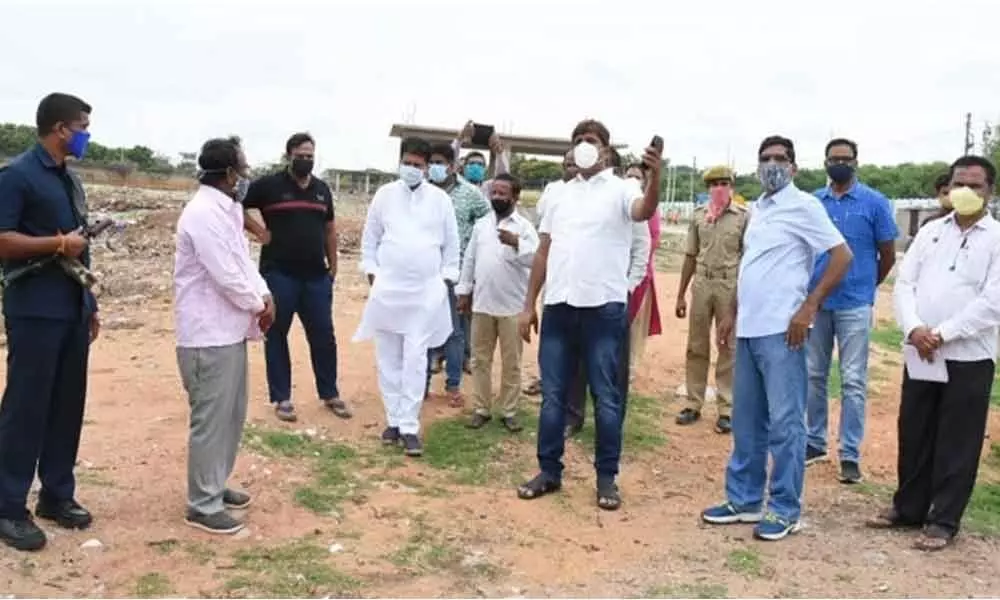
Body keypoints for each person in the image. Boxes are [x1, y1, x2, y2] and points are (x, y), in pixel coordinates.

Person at [701, 135, 853, 541]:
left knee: (786, 423)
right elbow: (751, 266)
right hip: (750, 329)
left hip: (783, 332)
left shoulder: (804, 206)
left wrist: (809, 307)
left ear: (794, 168)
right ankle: (745, 499)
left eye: (780, 159)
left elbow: (842, 256)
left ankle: (785, 508)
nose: (772, 165)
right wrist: (732, 314)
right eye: (765, 158)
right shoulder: (760, 209)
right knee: (748, 421)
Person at [516, 119, 662, 510]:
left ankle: (606, 479)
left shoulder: (623, 188)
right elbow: (544, 250)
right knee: (552, 397)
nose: (584, 145)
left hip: (603, 310)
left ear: (606, 151)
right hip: (559, 308)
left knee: (606, 397)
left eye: (592, 141)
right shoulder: (557, 194)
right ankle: (549, 471)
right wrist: (529, 304)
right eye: (578, 140)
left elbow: (644, 209)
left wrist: (656, 177)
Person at [869, 155, 1000, 551]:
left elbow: (992, 301)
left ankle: (943, 519)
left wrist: (942, 334)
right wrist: (914, 329)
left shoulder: (996, 238)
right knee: (916, 429)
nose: (966, 191)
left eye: (975, 185)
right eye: (960, 183)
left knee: (957, 439)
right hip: (921, 352)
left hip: (968, 355)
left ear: (990, 192)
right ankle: (908, 507)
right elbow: (905, 283)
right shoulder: (931, 232)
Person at [0, 93, 100, 551]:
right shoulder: (17, 176)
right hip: (34, 308)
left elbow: (82, 244)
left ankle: (56, 495)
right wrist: (57, 244)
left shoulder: (69, 180)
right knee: (26, 408)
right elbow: (3, 241)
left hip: (71, 308)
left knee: (66, 405)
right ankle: (7, 506)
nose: (85, 134)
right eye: (82, 126)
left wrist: (91, 304)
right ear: (60, 129)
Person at [174, 136, 274, 535]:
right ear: (229, 172)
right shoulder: (201, 213)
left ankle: (213, 484)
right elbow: (224, 273)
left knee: (229, 417)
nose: (246, 173)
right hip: (206, 333)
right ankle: (202, 503)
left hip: (228, 330)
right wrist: (257, 302)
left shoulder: (226, 209)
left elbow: (242, 262)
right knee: (211, 420)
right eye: (242, 166)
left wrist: (264, 294)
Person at [354, 137, 460, 457]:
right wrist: (373, 273)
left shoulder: (440, 200)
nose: (412, 169)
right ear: (400, 163)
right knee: (388, 358)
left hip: (425, 294)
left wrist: (444, 281)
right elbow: (370, 239)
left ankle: (411, 426)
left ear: (428, 168)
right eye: (408, 163)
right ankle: (394, 421)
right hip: (388, 290)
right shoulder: (384, 195)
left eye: (418, 165)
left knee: (416, 359)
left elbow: (451, 246)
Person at [805, 139, 899, 484]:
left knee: (854, 380)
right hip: (818, 302)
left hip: (855, 304)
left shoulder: (874, 203)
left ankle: (849, 453)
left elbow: (887, 253)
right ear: (825, 162)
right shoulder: (814, 202)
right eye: (834, 159)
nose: (839, 164)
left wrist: (868, 285)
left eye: (845, 159)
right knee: (813, 374)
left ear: (856, 162)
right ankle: (814, 441)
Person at [242, 133, 345, 423]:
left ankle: (330, 393)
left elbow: (329, 229)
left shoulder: (323, 190)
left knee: (324, 336)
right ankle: (282, 398)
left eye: (310, 155)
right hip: (279, 274)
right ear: (289, 155)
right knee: (276, 334)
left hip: (315, 277)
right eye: (301, 154)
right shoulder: (269, 186)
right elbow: (234, 206)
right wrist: (258, 231)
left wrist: (333, 267)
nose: (306, 160)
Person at [564, 159, 652, 438]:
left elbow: (642, 250)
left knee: (612, 367)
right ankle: (573, 416)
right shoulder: (576, 199)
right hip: (578, 295)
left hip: (612, 299)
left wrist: (626, 288)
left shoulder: (626, 196)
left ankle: (612, 423)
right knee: (576, 362)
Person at [457, 174, 538, 432]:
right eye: (495, 192)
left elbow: (537, 260)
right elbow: (470, 259)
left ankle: (509, 410)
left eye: (503, 193)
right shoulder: (482, 225)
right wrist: (464, 291)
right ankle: (481, 408)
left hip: (513, 305)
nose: (497, 197)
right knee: (480, 359)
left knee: (511, 361)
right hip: (482, 303)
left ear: (515, 197)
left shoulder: (524, 227)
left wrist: (516, 243)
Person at [675, 165, 748, 434]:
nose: (719, 188)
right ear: (708, 188)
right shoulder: (698, 216)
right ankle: (693, 402)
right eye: (714, 183)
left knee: (728, 346)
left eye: (723, 183)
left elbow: (747, 257)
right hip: (702, 282)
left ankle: (726, 408)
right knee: (696, 344)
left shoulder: (742, 217)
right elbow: (690, 255)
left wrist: (740, 299)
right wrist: (681, 294)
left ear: (731, 185)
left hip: (729, 283)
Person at [425, 142, 489, 406]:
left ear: (452, 166)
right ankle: (422, 384)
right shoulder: (421, 192)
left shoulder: (470, 194)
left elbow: (488, 221)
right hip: (424, 271)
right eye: (432, 163)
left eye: (440, 162)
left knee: (454, 331)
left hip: (456, 272)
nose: (434, 168)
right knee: (423, 328)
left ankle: (453, 385)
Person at [523, 150, 576, 398]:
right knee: (551, 332)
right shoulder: (553, 191)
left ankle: (572, 386)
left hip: (579, 277)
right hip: (553, 273)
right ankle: (547, 379)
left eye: (574, 163)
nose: (570, 167)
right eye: (566, 163)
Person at [623, 164, 663, 378]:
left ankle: (628, 369)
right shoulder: (619, 203)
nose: (632, 180)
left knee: (633, 326)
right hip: (616, 273)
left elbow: (652, 241)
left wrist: (635, 274)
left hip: (639, 275)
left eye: (637, 177)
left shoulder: (651, 209)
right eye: (628, 175)